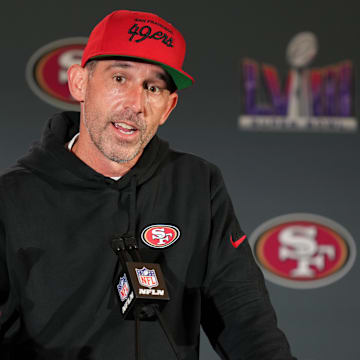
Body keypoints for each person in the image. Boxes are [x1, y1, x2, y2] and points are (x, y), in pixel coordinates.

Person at [0, 10, 296, 360]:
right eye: (120, 78)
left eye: (152, 87)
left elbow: (245, 317)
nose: (135, 105)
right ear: (79, 83)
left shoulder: (198, 185)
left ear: (167, 107)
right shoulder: (12, 200)